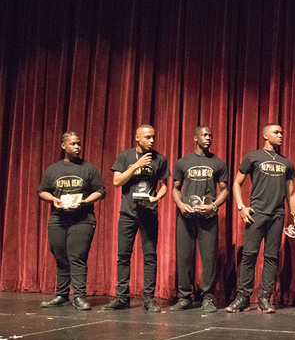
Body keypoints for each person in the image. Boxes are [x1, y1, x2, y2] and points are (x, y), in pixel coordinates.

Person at [226, 124, 295, 313]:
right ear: (265, 135)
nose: (280, 135)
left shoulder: (286, 162)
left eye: (282, 132)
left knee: (271, 257)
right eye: (276, 132)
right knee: (249, 255)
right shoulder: (253, 157)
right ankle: (243, 297)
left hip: (277, 215)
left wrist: (293, 213)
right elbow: (236, 183)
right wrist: (241, 207)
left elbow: (291, 192)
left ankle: (264, 298)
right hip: (256, 213)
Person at [102, 124, 170, 312]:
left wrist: (157, 198)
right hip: (128, 214)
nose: (152, 140)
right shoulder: (125, 156)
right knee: (123, 256)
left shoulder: (160, 159)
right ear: (137, 138)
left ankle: (149, 299)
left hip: (149, 214)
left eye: (153, 137)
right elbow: (117, 182)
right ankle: (122, 298)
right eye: (147, 137)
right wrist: (136, 166)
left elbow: (164, 186)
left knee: (150, 256)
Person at [38, 132, 106, 310]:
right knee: (60, 257)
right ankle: (62, 295)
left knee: (77, 257)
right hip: (58, 219)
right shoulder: (53, 170)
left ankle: (79, 296)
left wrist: (85, 201)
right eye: (73, 144)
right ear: (63, 146)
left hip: (82, 219)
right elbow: (42, 191)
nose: (77, 147)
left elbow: (100, 191)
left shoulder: (88, 168)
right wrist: (54, 199)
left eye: (79, 144)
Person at [170, 126, 229, 313]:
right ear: (195, 138)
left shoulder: (218, 163)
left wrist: (214, 206)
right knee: (184, 257)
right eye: (204, 135)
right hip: (186, 217)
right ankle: (184, 297)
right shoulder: (183, 162)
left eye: (210, 135)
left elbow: (225, 190)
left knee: (209, 258)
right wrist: (180, 205)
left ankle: (207, 298)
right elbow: (175, 189)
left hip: (208, 218)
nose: (208, 138)